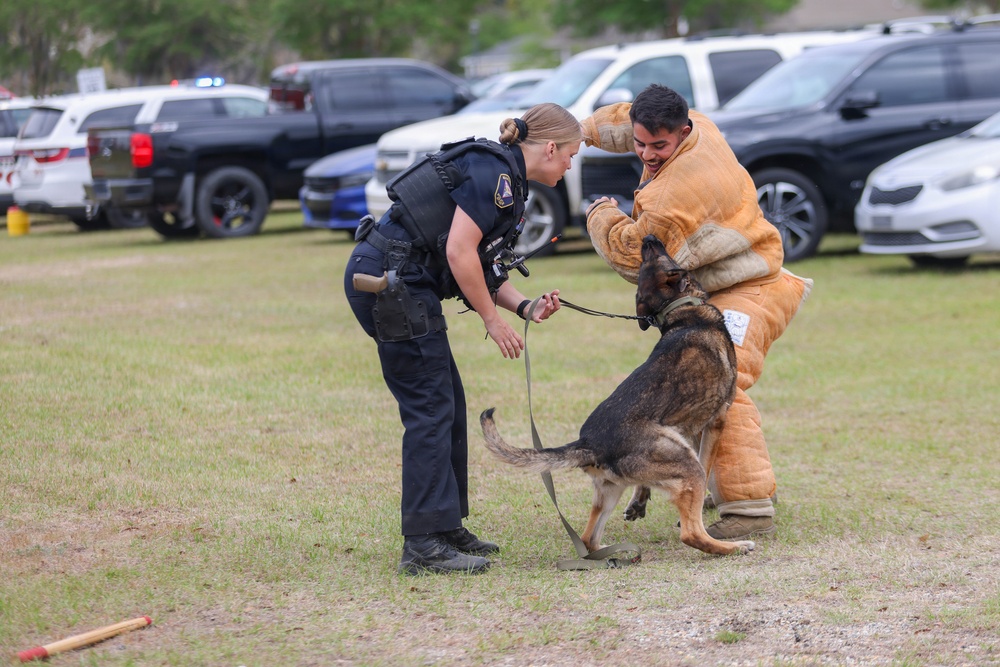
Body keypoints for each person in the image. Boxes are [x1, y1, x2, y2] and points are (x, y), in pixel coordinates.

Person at [344, 103, 582, 575]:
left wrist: (527, 307)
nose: (571, 165)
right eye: (570, 155)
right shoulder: (495, 173)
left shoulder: (506, 178)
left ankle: (444, 526)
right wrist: (493, 322)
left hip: (404, 282)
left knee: (445, 400)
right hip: (390, 283)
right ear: (550, 148)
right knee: (431, 406)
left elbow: (484, 264)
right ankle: (422, 545)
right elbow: (457, 251)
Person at [582, 84, 812, 541]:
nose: (646, 153)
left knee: (723, 386)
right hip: (719, 291)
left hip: (751, 290)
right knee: (706, 389)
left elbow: (635, 261)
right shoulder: (698, 126)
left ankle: (748, 508)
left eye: (658, 146)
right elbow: (623, 118)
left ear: (682, 132)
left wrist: (601, 215)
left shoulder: (674, 196)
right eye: (640, 142)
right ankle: (708, 483)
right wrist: (577, 130)